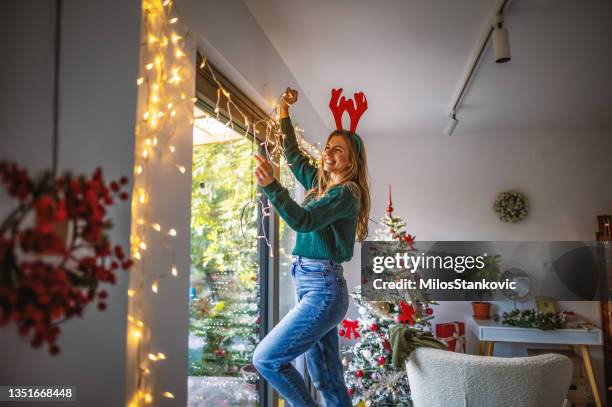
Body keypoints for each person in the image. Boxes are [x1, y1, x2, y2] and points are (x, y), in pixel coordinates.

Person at [252, 87, 371, 406]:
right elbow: (293, 155)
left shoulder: (346, 193)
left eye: (338, 151)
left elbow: (303, 221)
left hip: (323, 289)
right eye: (328, 147)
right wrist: (285, 113)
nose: (328, 153)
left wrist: (271, 187)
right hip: (311, 283)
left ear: (351, 161)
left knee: (266, 359)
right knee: (327, 379)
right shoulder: (321, 183)